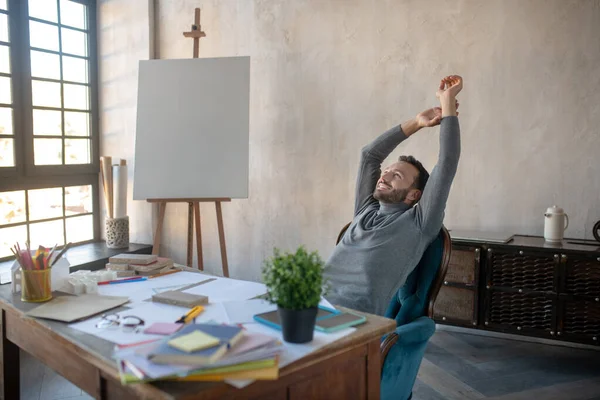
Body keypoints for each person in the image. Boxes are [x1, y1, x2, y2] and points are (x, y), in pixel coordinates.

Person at [324, 75, 463, 316]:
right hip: (308, 302)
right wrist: (417, 123)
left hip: (350, 320)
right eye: (386, 171)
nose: (384, 176)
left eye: (396, 176)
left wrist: (447, 101)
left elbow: (447, 162)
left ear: (414, 194)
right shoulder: (365, 209)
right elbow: (370, 155)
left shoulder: (420, 223)